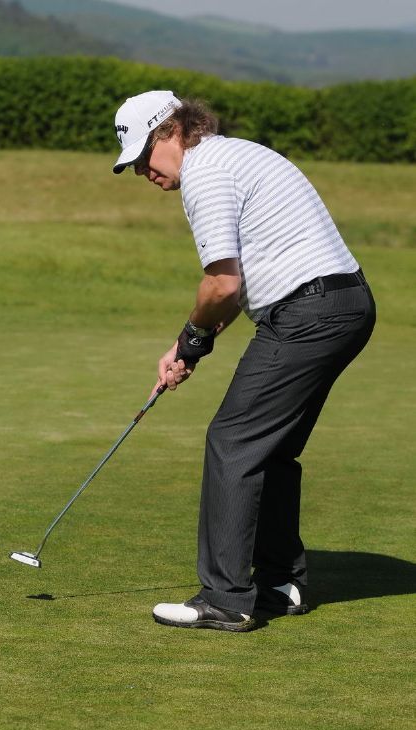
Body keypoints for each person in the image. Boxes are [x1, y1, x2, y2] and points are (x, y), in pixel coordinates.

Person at [112, 90, 376, 632]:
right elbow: (243, 282)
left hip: (308, 312)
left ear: (170, 131)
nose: (141, 171)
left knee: (232, 442)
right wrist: (192, 346)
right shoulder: (236, 153)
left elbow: (222, 284)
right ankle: (281, 582)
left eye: (142, 156)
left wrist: (192, 337)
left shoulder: (205, 173)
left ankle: (226, 599)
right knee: (270, 448)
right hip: (344, 304)